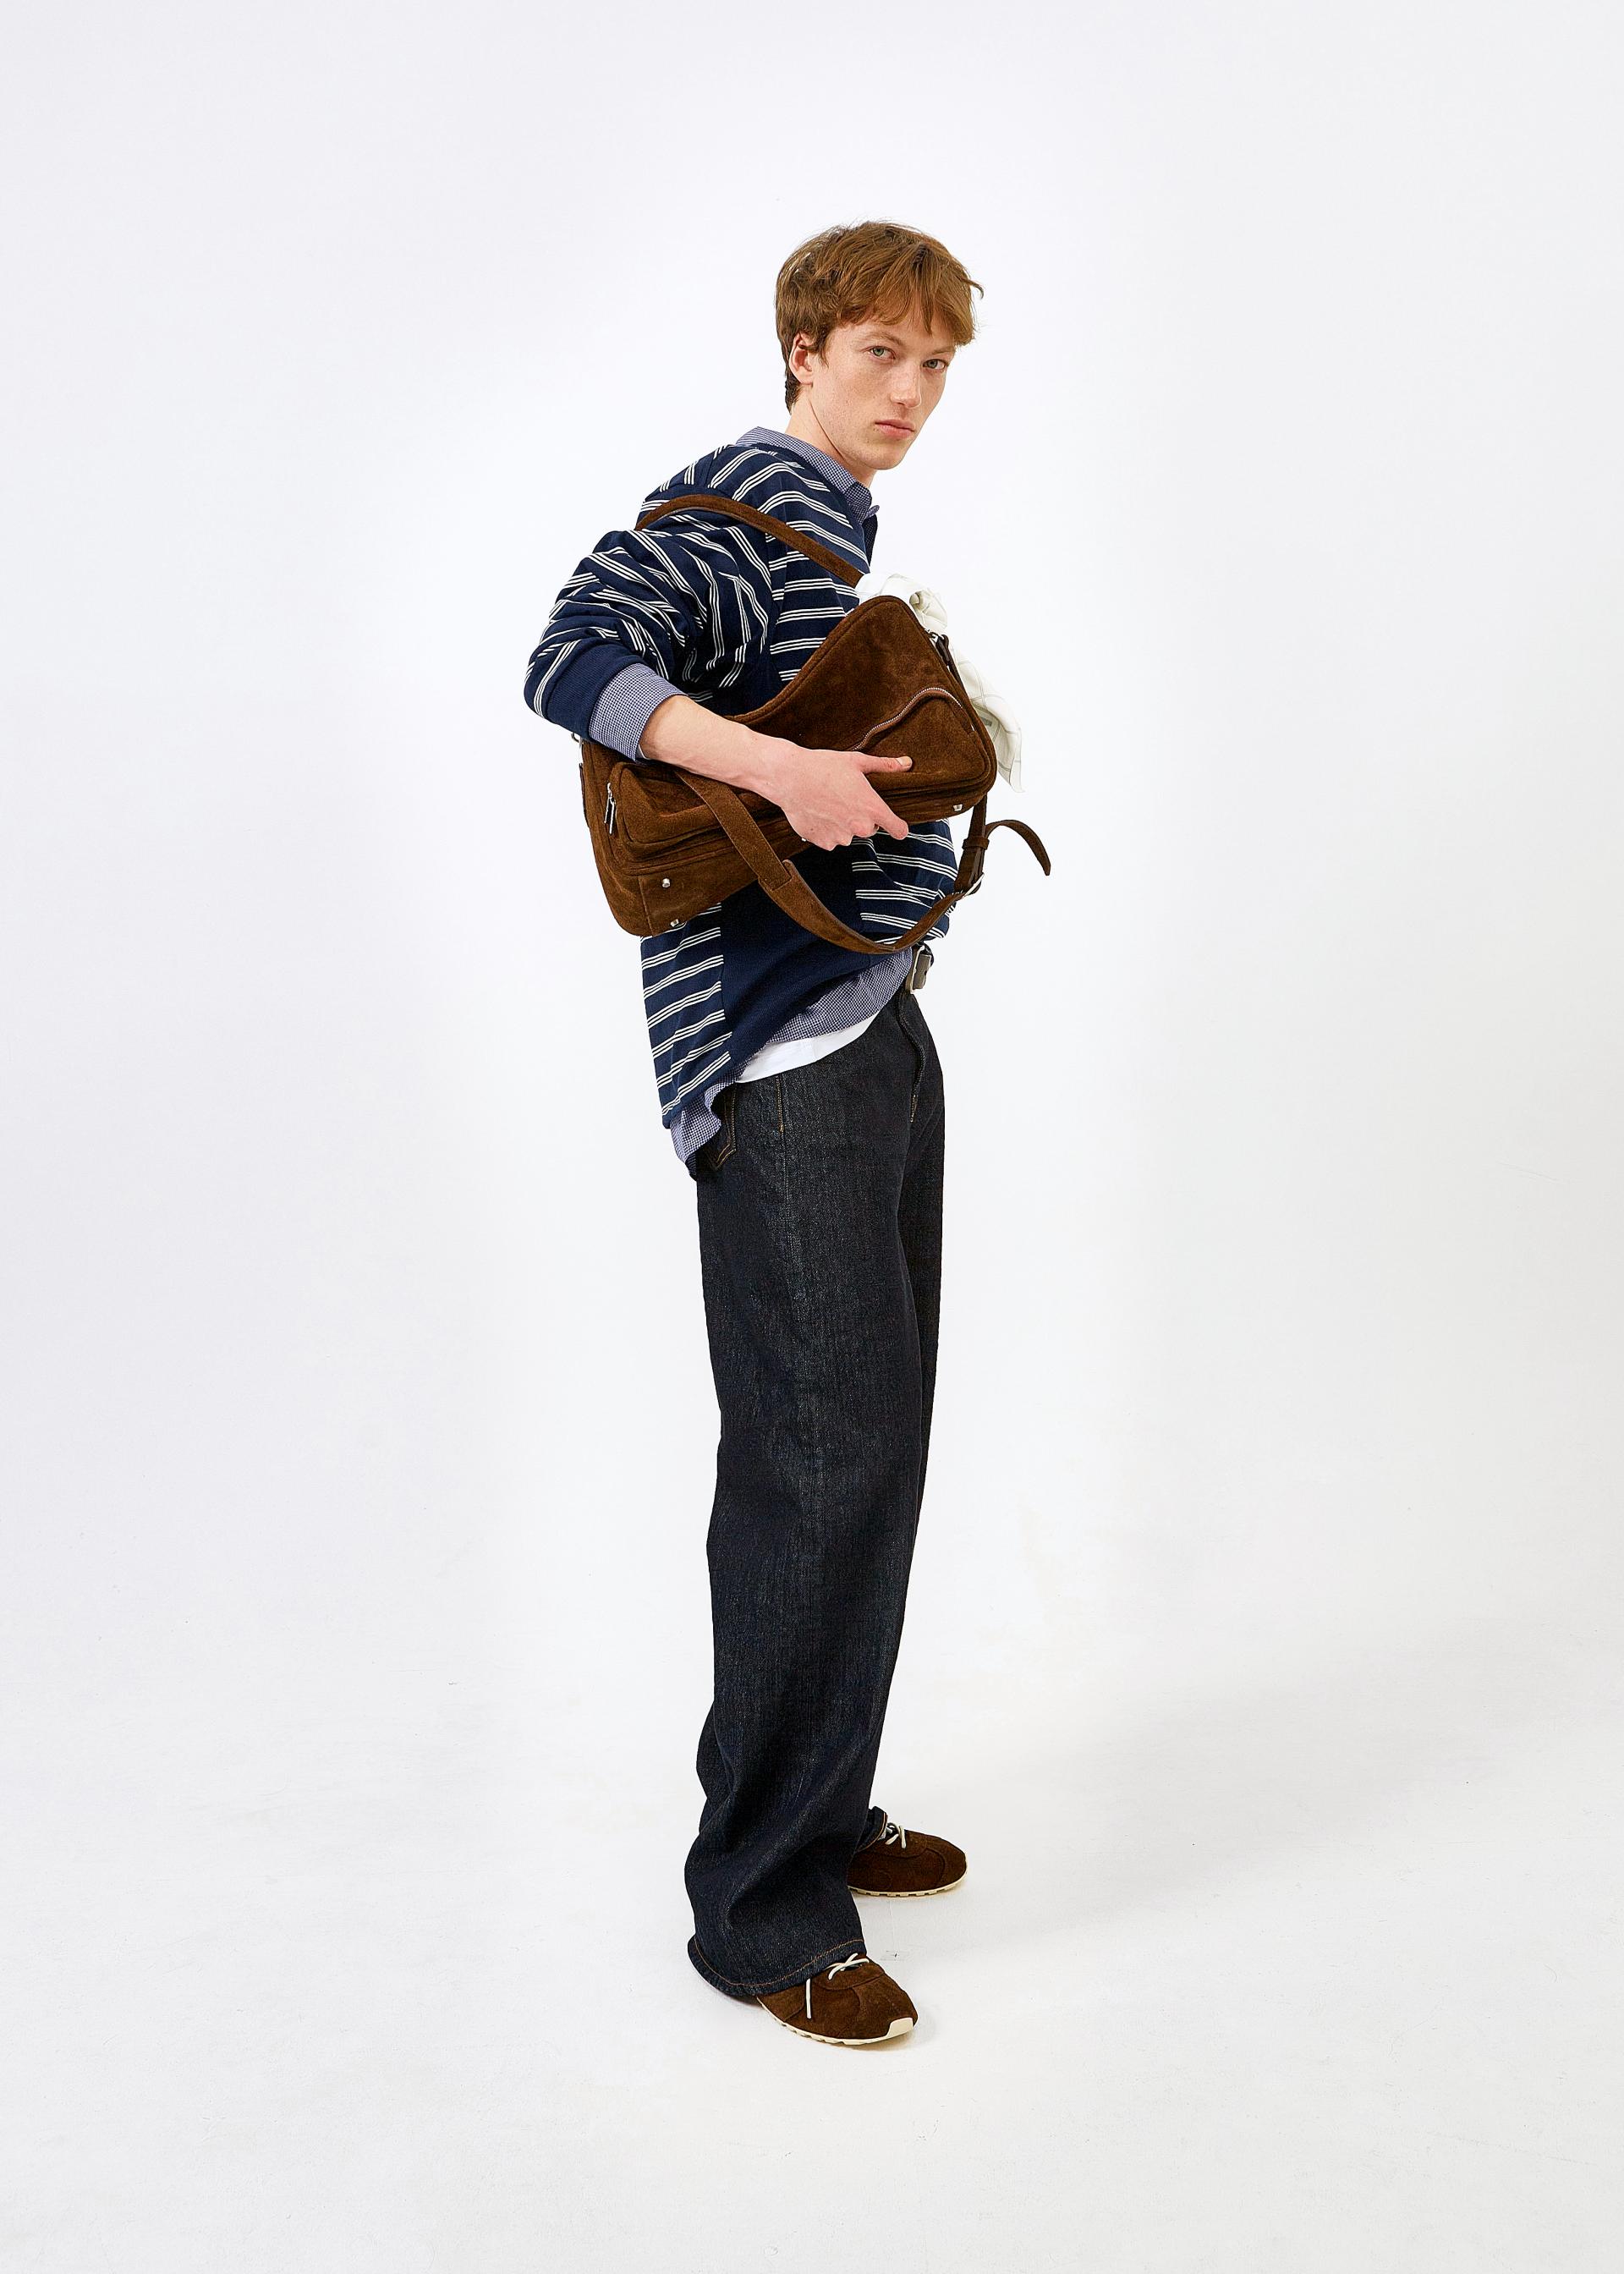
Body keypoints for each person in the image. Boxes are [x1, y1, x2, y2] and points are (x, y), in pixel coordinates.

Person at [524, 220, 984, 2048]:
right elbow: (570, 656)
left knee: (869, 1447)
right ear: (802, 350)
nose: (910, 392)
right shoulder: (734, 511)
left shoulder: (832, 530)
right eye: (880, 353)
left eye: (935, 366)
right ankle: (765, 1914)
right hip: (781, 1066)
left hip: (871, 1026)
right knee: (815, 1455)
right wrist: (780, 766)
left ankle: (819, 1800)